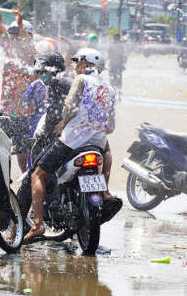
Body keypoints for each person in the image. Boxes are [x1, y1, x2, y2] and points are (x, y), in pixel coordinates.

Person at [24, 48, 117, 242]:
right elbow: (111, 126)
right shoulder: (109, 88)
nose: (74, 65)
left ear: (86, 63)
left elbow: (70, 105)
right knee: (108, 153)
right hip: (98, 143)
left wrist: (63, 123)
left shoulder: (81, 80)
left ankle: (38, 224)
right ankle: (105, 192)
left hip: (72, 141)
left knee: (37, 175)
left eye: (77, 61)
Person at [0, 0, 37, 172]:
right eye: (12, 35)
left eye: (19, 35)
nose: (14, 38)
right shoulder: (9, 51)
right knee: (1, 155)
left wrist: (21, 24)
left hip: (29, 115)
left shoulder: (34, 57)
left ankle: (27, 187)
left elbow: (30, 49)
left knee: (26, 156)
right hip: (7, 113)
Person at [22, 52, 66, 168]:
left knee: (37, 168)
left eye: (43, 71)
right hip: (40, 127)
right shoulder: (39, 84)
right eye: (40, 72)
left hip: (53, 130)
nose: (41, 74)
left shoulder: (58, 84)